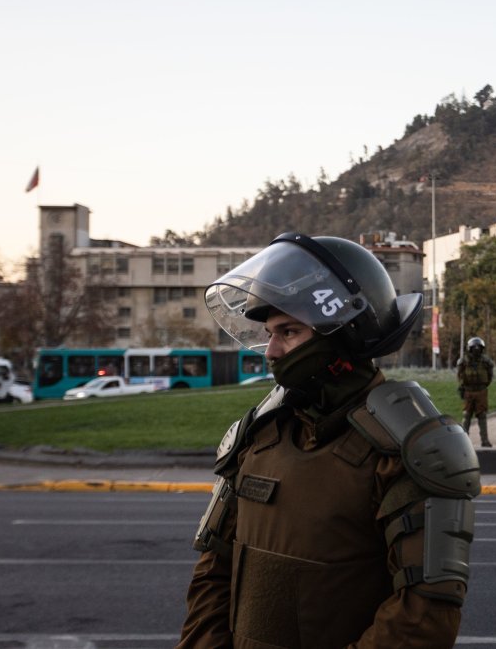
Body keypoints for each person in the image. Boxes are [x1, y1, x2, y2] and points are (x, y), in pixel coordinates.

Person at [178, 232, 480, 649]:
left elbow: (425, 615)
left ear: (342, 334)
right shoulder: (256, 436)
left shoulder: (411, 451)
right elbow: (213, 572)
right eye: (269, 333)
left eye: (288, 332)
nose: (271, 351)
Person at [456, 336, 494, 448]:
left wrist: (483, 386)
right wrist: (463, 387)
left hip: (481, 391)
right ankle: (463, 442)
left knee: (482, 415)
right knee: (466, 415)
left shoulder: (486, 361)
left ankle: (485, 440)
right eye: (474, 347)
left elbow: (490, 376)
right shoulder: (463, 361)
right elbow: (459, 375)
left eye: (479, 347)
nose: (476, 349)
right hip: (468, 391)